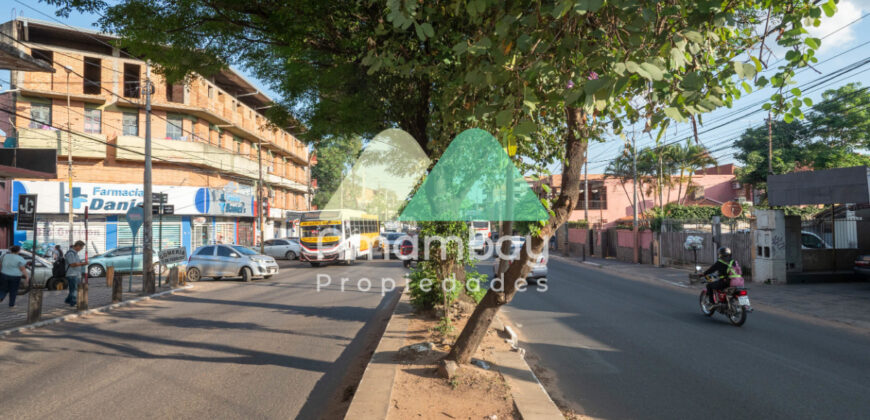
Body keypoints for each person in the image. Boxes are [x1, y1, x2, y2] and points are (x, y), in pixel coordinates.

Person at [64, 241, 87, 307]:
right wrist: (83, 263)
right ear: (77, 246)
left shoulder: (75, 253)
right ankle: (73, 302)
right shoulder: (71, 253)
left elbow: (76, 263)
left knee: (73, 289)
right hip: (72, 274)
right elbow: (72, 264)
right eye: (81, 248)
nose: (81, 249)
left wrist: (82, 263)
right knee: (74, 290)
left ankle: (68, 300)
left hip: (76, 274)